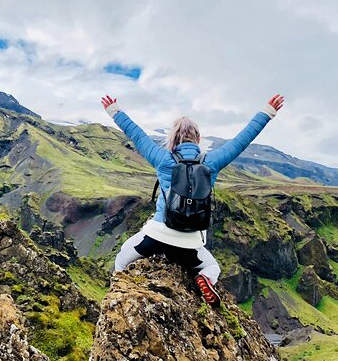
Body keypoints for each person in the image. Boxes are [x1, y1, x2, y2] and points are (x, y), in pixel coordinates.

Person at [101, 93, 285, 306]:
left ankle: (119, 298)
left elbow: (137, 135)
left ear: (172, 139)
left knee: (122, 259)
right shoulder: (211, 162)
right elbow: (241, 141)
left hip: (156, 236)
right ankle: (204, 279)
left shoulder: (162, 158)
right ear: (197, 139)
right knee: (212, 267)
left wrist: (114, 111)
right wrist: (267, 112)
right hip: (190, 244)